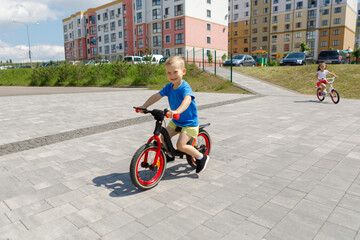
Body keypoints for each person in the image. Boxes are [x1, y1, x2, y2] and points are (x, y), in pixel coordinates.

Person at [136, 56, 209, 174]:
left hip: (189, 123)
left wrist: (176, 111)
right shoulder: (169, 87)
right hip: (176, 121)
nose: (172, 75)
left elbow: (187, 100)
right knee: (163, 137)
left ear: (183, 71)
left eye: (175, 72)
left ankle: (201, 157)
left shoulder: (185, 87)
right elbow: (156, 96)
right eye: (168, 73)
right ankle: (170, 155)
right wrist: (145, 106)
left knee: (181, 145)